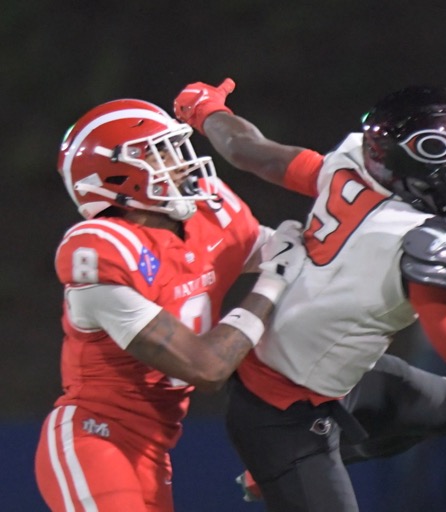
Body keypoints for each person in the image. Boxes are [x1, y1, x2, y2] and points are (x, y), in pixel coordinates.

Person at [173, 79, 446, 512]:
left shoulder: (352, 169)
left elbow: (250, 150)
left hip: (325, 375)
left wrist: (206, 111)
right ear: (423, 170)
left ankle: (306, 461)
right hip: (281, 413)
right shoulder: (414, 247)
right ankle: (286, 467)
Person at [34, 98, 306, 511]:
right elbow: (206, 366)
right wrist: (275, 280)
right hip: (95, 435)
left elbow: (293, 259)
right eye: (159, 152)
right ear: (116, 174)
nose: (181, 163)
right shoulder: (103, 250)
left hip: (156, 447)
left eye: (176, 148)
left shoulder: (208, 212)